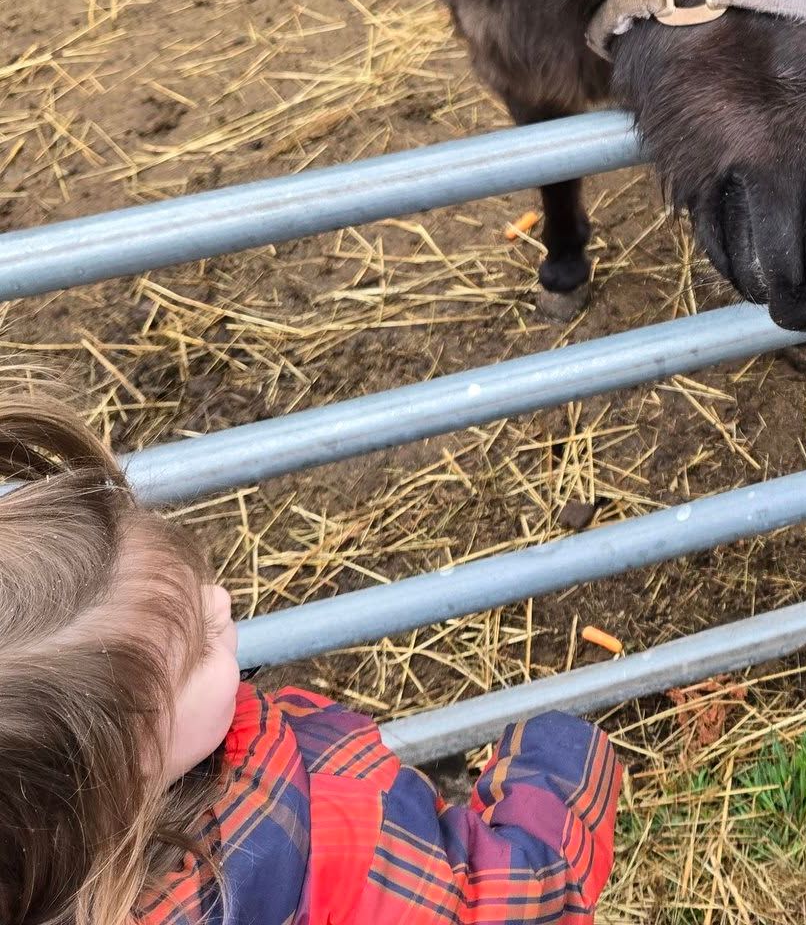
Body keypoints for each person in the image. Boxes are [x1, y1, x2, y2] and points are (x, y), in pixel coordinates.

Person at [0, 376, 621, 925]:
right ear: (118, 767)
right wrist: (557, 762)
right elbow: (518, 896)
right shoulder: (333, 844)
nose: (222, 601)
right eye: (198, 647)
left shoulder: (40, 864)